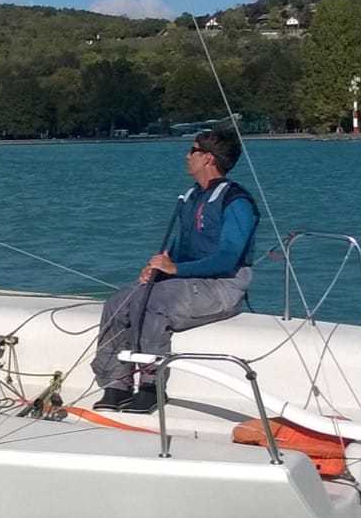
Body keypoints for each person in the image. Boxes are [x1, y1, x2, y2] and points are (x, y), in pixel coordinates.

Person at [90, 129, 259, 413]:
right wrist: (158, 267)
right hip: (186, 280)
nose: (186, 156)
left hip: (222, 284)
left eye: (192, 150)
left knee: (153, 303)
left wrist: (175, 268)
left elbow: (227, 259)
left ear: (208, 158)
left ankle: (151, 386)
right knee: (118, 302)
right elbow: (180, 246)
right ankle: (116, 384)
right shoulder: (193, 196)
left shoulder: (236, 201)